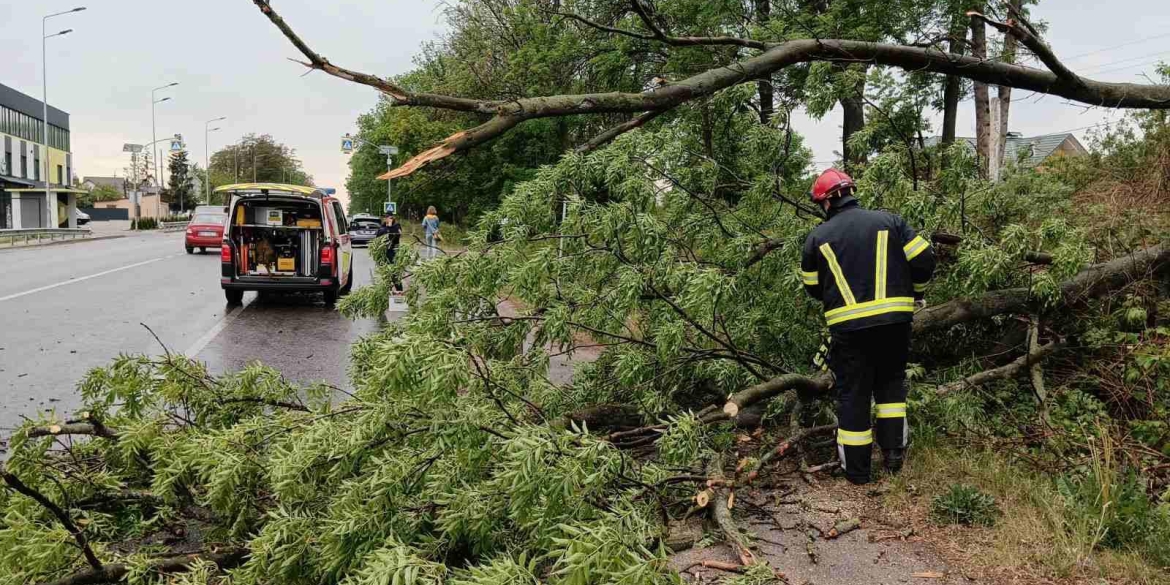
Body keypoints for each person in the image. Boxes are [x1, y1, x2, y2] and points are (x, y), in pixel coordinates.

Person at [799, 168, 935, 485]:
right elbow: (925, 260)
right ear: (850, 193)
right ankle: (894, 458)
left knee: (853, 394)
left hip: (848, 330)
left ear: (826, 203)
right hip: (895, 324)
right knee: (890, 386)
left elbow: (812, 288)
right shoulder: (891, 222)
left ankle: (858, 472)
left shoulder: (816, 238)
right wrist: (917, 293)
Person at [375, 213, 404, 293]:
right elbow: (380, 235)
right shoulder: (382, 226)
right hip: (384, 252)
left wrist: (390, 227)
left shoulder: (397, 225)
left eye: (388, 217)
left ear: (392, 218)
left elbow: (397, 234)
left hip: (394, 252)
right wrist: (388, 227)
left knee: (395, 273)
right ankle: (387, 292)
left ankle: (400, 291)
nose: (386, 219)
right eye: (385, 217)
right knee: (386, 273)